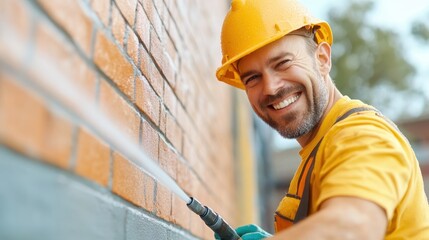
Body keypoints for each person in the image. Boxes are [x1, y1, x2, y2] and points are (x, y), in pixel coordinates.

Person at [214, 0, 429, 239]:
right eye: (253, 78)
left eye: (283, 63)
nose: (271, 88)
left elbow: (353, 229)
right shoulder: (317, 153)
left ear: (323, 58)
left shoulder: (363, 136)